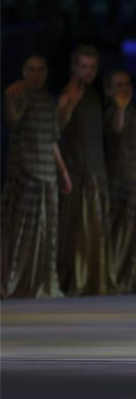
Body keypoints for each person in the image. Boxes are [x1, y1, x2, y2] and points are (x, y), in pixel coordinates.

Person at [2, 55, 71, 298]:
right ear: (23, 71)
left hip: (47, 174)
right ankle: (14, 282)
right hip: (24, 172)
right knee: (20, 231)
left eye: (41, 69)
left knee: (48, 232)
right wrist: (12, 99)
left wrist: (63, 172)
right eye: (31, 69)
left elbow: (52, 139)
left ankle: (42, 282)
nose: (36, 74)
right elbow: (13, 122)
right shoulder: (16, 92)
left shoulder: (47, 99)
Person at [57, 45, 111, 295]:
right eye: (82, 66)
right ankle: (75, 281)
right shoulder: (69, 93)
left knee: (95, 228)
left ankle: (93, 281)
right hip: (76, 170)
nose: (87, 72)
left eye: (91, 67)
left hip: (95, 169)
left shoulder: (94, 94)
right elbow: (56, 129)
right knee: (77, 227)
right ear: (73, 67)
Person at [104, 69, 136, 294]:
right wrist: (120, 106)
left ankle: (132, 279)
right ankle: (117, 278)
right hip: (120, 182)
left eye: (127, 83)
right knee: (120, 234)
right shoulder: (113, 112)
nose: (124, 88)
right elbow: (117, 130)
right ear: (109, 90)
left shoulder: (135, 112)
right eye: (118, 85)